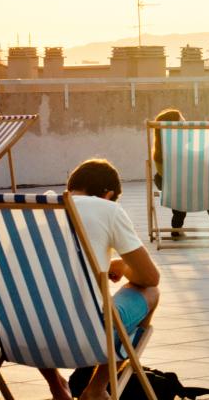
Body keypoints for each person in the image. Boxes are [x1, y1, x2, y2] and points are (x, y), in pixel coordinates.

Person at [49, 159, 162, 399]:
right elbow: (150, 277)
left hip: (30, 336)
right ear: (108, 194)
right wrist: (124, 267)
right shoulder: (107, 209)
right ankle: (97, 388)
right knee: (151, 292)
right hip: (89, 336)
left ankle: (57, 388)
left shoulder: (36, 209)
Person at [150, 108, 209, 235]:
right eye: (182, 120)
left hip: (173, 188)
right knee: (208, 187)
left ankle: (176, 228)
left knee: (172, 185)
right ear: (177, 126)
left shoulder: (159, 152)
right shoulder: (192, 142)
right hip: (196, 185)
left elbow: (167, 176)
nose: (186, 121)